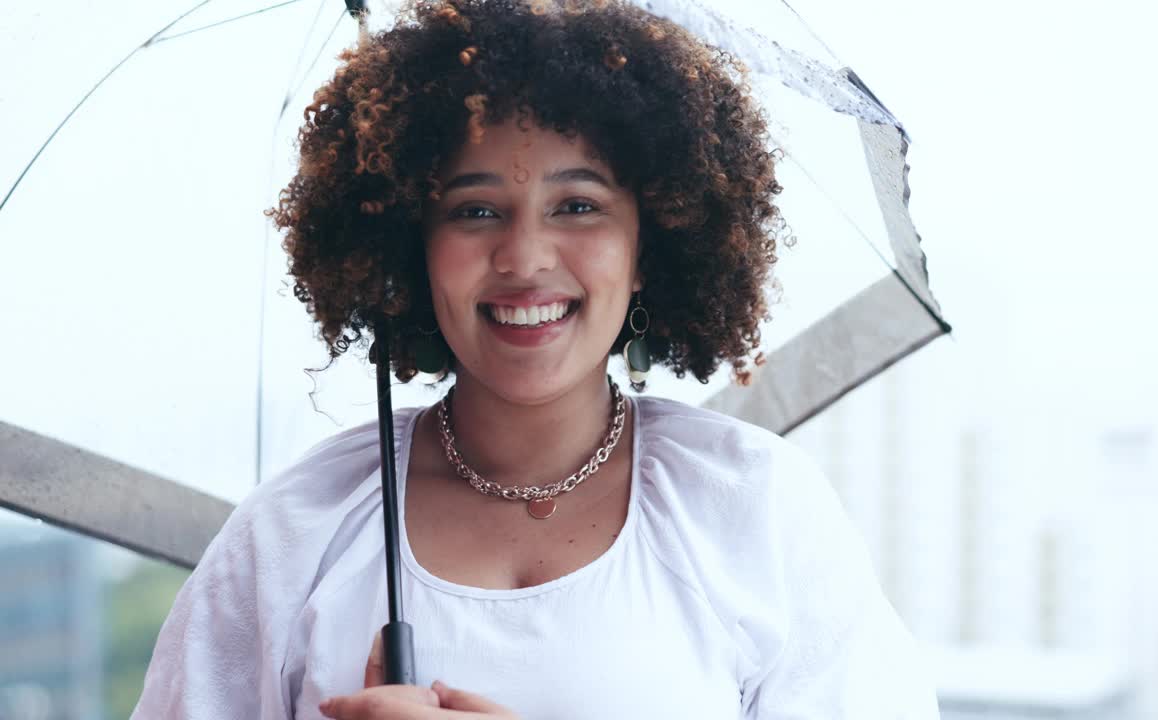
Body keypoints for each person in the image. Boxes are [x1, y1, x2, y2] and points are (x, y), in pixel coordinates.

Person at [131, 1, 940, 718]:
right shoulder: (292, 536)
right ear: (409, 246)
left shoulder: (755, 511)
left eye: (578, 206)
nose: (524, 257)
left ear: (650, 241)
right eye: (475, 208)